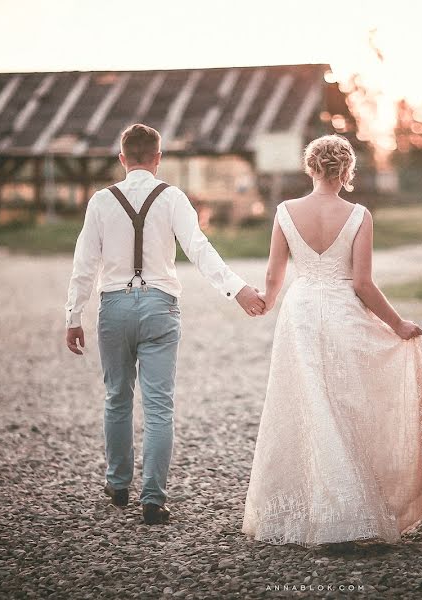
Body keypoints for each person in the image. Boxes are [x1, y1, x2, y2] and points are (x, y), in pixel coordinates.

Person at [242, 134, 422, 546]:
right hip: (341, 312)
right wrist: (397, 324)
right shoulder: (358, 215)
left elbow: (273, 275)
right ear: (347, 171)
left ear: (311, 167)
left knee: (309, 404)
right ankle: (348, 515)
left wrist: (266, 303)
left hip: (300, 312)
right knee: (345, 405)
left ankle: (325, 511)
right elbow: (363, 284)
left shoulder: (284, 212)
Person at [64, 123, 265, 525]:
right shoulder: (172, 197)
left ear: (122, 159)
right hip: (160, 306)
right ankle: (152, 499)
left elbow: (85, 262)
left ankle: (118, 484)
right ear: (158, 158)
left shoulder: (101, 201)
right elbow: (198, 249)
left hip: (114, 306)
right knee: (159, 407)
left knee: (116, 397)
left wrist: (73, 315)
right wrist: (237, 289)